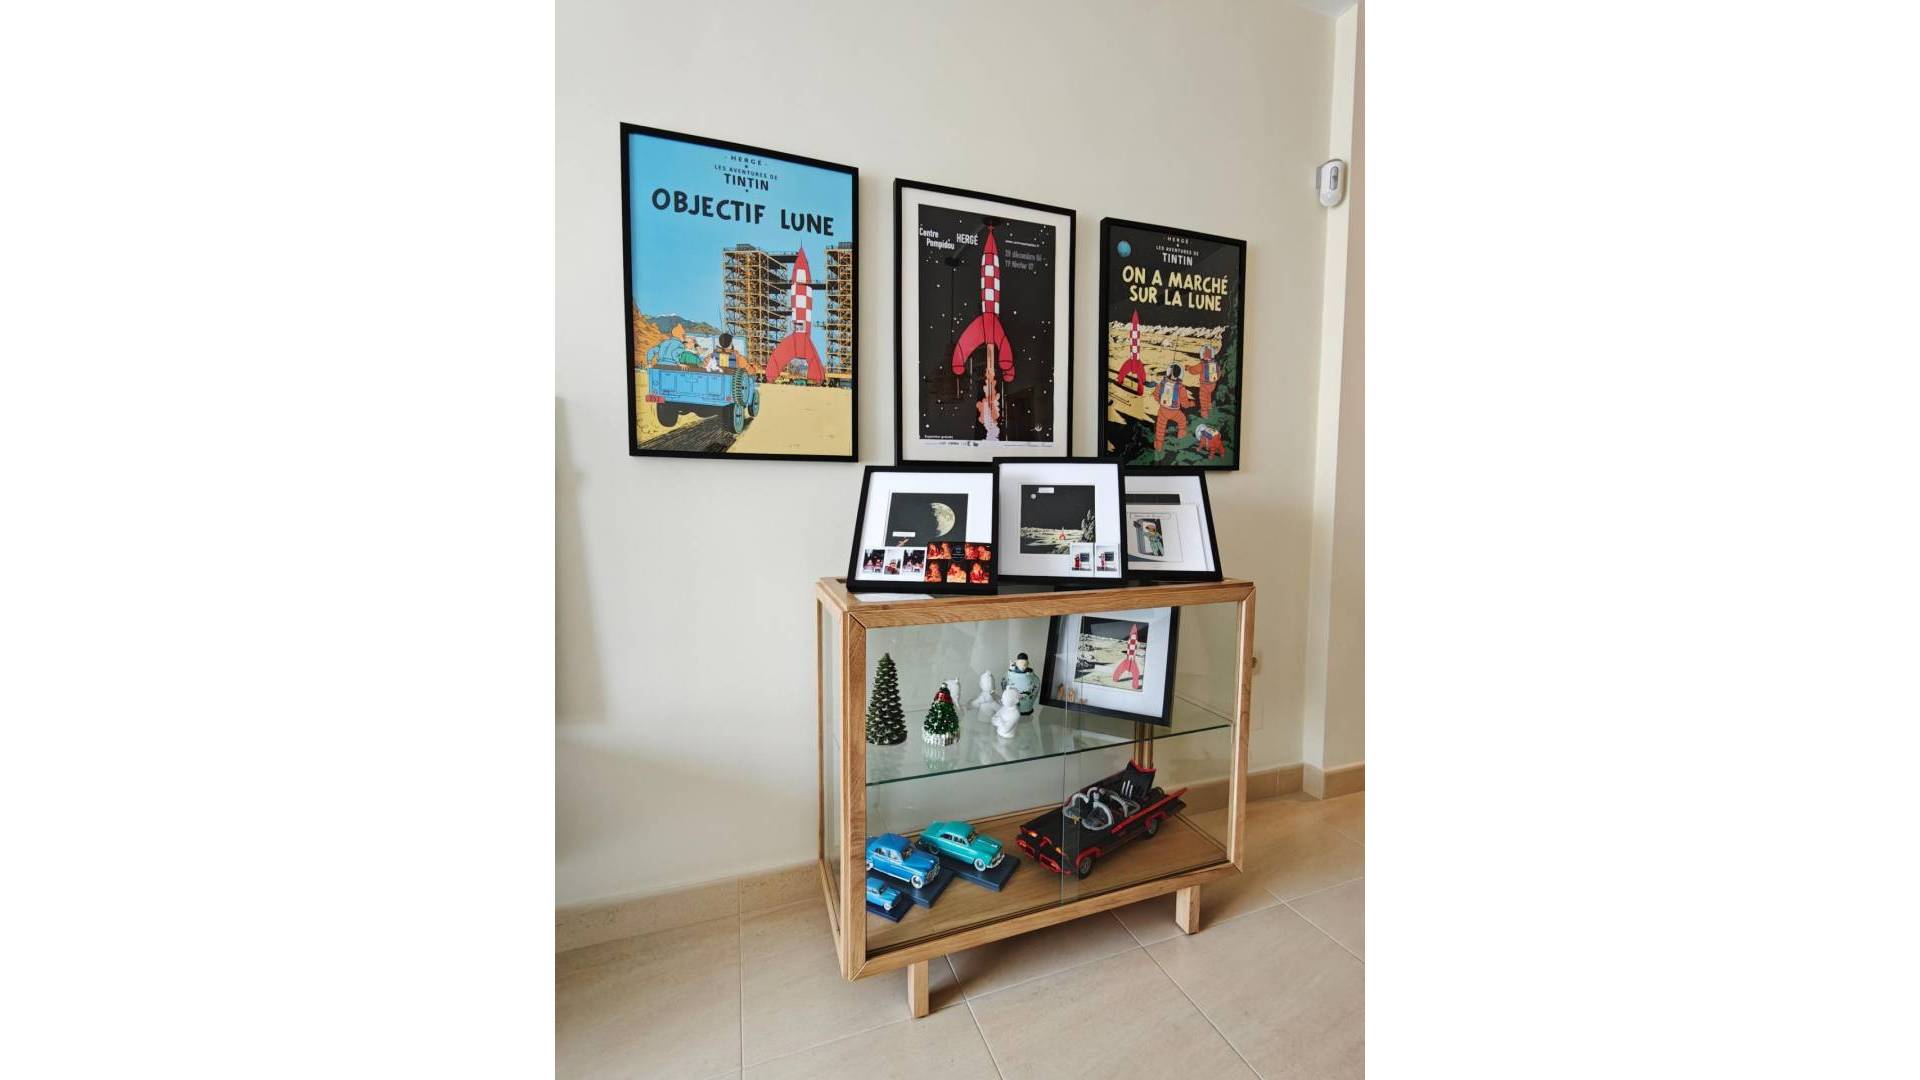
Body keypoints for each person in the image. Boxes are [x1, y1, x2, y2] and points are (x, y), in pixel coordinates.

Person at [1151, 364, 1190, 451]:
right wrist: (1190, 404)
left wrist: (1161, 402)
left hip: (1162, 410)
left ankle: (1158, 445)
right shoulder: (1181, 388)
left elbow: (1156, 396)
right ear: (1180, 374)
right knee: (1182, 420)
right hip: (1174, 412)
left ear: (1168, 372)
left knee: (1160, 428)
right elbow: (1184, 403)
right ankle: (1181, 433)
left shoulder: (1161, 384)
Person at [1187, 344, 1221, 419]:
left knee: (1203, 399)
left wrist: (1188, 368)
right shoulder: (1215, 363)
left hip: (1204, 385)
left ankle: (1204, 413)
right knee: (1208, 395)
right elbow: (1219, 373)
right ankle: (1209, 407)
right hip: (1213, 384)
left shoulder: (1202, 364)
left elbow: (1193, 371)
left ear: (1202, 354)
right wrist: (1215, 380)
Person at [1110, 624, 1143, 691]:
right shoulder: (1133, 640)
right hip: (1130, 660)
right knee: (1135, 673)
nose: (1133, 636)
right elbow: (1133, 646)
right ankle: (1134, 686)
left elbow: (1132, 646)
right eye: (1133, 635)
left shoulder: (1131, 640)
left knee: (1134, 673)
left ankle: (1115, 679)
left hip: (1130, 659)